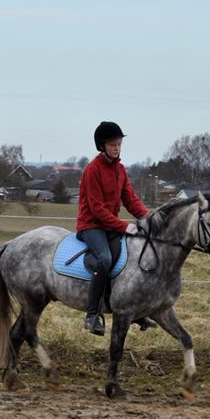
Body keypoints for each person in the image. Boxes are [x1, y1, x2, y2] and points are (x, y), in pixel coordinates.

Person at [76, 121, 149, 336]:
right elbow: (97, 210)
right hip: (91, 225)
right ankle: (91, 315)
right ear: (102, 146)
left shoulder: (120, 169)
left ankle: (134, 310)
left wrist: (147, 218)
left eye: (119, 144)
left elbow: (130, 198)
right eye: (112, 144)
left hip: (109, 225)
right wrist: (125, 226)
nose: (117, 148)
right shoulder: (92, 170)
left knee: (133, 255)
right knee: (105, 259)